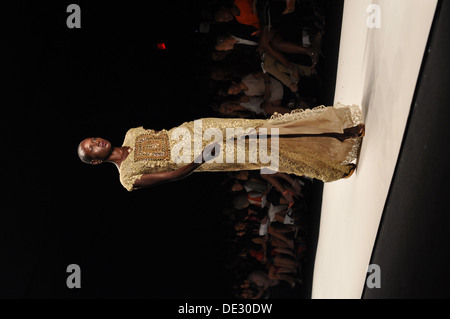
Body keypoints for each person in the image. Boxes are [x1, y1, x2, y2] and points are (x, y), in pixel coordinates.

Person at [77, 105, 365, 192]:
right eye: (92, 148)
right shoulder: (127, 177)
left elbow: (168, 134)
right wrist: (203, 158)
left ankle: (341, 132)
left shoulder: (131, 133)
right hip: (205, 156)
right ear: (94, 161)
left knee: (266, 130)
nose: (97, 142)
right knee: (267, 152)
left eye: (93, 139)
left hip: (201, 128)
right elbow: (173, 176)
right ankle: (331, 167)